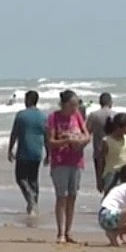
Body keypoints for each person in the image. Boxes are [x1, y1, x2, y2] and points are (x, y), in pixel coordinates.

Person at [46, 90, 90, 243]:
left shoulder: (77, 116)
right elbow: (51, 142)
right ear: (64, 104)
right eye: (72, 105)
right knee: (61, 197)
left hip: (76, 161)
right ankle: (60, 233)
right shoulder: (54, 117)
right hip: (60, 162)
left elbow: (87, 135)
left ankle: (69, 231)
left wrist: (80, 141)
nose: (75, 108)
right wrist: (67, 141)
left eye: (77, 105)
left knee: (72, 196)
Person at [8, 89, 48, 215]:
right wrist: (49, 154)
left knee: (20, 178)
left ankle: (31, 200)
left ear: (29, 100)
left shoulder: (21, 115)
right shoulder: (43, 116)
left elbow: (14, 133)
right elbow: (47, 136)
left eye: (26, 99)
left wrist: (10, 149)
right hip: (37, 152)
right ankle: (33, 206)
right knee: (34, 180)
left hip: (23, 152)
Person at [97, 112, 126, 191]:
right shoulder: (107, 141)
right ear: (118, 127)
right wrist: (99, 179)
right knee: (110, 198)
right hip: (111, 174)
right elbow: (101, 161)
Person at [85, 92, 114, 185]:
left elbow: (87, 133)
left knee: (101, 183)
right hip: (114, 152)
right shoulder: (115, 115)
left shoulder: (93, 115)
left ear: (100, 102)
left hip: (98, 151)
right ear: (110, 102)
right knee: (113, 182)